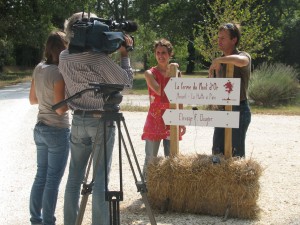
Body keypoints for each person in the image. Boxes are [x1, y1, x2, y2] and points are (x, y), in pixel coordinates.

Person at [59, 12, 134, 225]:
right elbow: (126, 82)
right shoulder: (98, 59)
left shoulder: (64, 57)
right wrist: (124, 55)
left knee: (74, 179)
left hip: (78, 120)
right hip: (101, 120)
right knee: (100, 179)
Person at [29, 31, 70, 225]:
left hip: (40, 128)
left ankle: (35, 219)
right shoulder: (59, 73)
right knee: (53, 180)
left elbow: (32, 99)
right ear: (63, 48)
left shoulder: (39, 68)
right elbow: (61, 109)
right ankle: (48, 221)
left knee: (41, 176)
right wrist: (74, 101)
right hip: (57, 129)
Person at [142, 38, 186, 178]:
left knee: (172, 158)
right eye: (158, 52)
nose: (161, 56)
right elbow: (159, 91)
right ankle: (146, 187)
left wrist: (182, 119)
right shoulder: (149, 73)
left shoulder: (177, 73)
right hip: (155, 118)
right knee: (151, 157)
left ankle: (171, 188)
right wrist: (170, 73)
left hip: (171, 117)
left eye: (164, 53)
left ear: (170, 54)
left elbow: (179, 97)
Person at [208, 22, 251, 158]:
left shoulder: (242, 55)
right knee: (217, 152)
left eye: (223, 38)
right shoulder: (219, 61)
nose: (219, 41)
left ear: (234, 40)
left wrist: (220, 60)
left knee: (236, 155)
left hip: (239, 108)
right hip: (222, 110)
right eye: (218, 38)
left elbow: (243, 61)